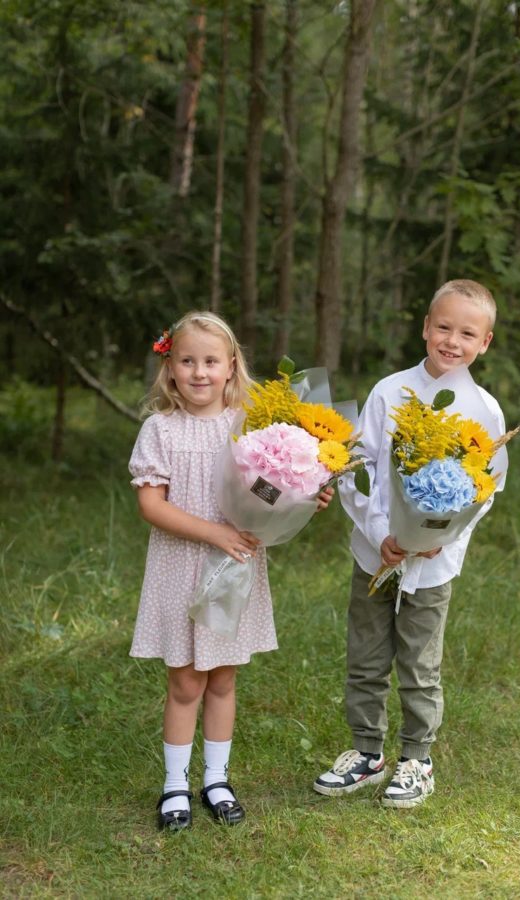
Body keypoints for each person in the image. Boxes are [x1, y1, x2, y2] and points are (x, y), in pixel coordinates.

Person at [129, 310, 331, 831]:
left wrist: (304, 496)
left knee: (222, 678)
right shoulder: (160, 429)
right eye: (187, 361)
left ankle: (216, 779)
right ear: (169, 367)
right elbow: (152, 506)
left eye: (210, 361)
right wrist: (213, 531)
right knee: (186, 682)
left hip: (236, 566)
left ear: (231, 365)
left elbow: (271, 485)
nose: (199, 372)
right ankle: (175, 786)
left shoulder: (252, 423)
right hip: (182, 565)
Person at [313, 279, 505, 809]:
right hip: (376, 550)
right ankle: (367, 752)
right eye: (443, 327)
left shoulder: (484, 410)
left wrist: (437, 536)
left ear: (484, 343)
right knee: (367, 655)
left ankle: (417, 759)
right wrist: (383, 536)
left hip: (433, 562)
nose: (452, 340)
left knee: (421, 663)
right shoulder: (389, 391)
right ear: (425, 328)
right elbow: (358, 470)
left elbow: (485, 489)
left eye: (467, 333)